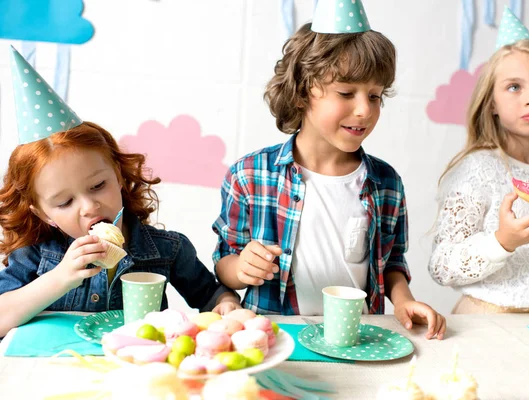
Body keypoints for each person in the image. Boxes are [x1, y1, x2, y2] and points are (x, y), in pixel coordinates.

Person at [212, 0, 445, 339]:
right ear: (302, 92)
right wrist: (241, 267)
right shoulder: (250, 176)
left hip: (357, 338)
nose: (364, 110)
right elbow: (224, 263)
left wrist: (404, 300)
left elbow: (392, 261)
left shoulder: (386, 183)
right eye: (346, 92)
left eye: (376, 96)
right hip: (277, 340)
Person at [0, 48, 240, 337]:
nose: (89, 206)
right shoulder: (35, 256)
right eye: (65, 202)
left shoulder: (168, 250)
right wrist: (60, 278)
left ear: (118, 176)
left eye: (98, 186)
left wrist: (227, 305)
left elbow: (212, 297)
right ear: (44, 214)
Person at [428, 7, 529, 313]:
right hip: (488, 324)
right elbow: (441, 266)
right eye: (514, 86)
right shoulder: (477, 169)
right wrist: (502, 240)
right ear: (492, 103)